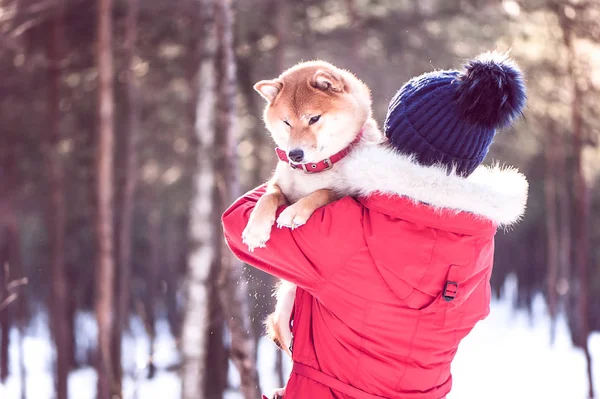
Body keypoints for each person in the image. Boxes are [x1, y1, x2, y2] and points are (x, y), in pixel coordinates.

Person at [222, 52, 528, 399]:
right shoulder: (476, 244)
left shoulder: (351, 228)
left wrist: (312, 167)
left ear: (394, 137)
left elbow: (239, 225)